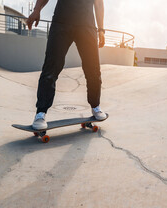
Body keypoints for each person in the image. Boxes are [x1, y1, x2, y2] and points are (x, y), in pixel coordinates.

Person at [26, 0, 107, 130]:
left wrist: (101, 29)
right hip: (61, 22)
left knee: (93, 69)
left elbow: (98, 2)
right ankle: (40, 113)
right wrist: (36, 10)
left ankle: (95, 106)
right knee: (51, 68)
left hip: (87, 24)